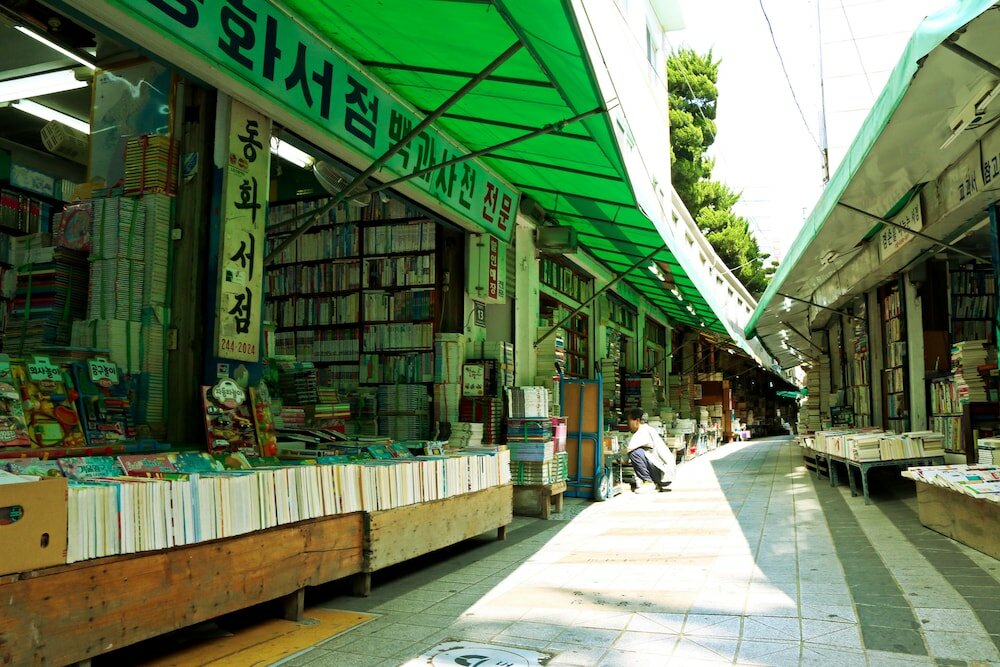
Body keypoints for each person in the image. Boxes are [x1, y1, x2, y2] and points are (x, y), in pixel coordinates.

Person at [625, 407, 676, 493]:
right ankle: (655, 484)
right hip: (665, 473)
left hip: (664, 473)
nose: (628, 425)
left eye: (629, 421)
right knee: (641, 453)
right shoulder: (649, 429)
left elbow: (629, 449)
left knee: (634, 453)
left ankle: (648, 483)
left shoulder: (642, 431)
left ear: (637, 420)